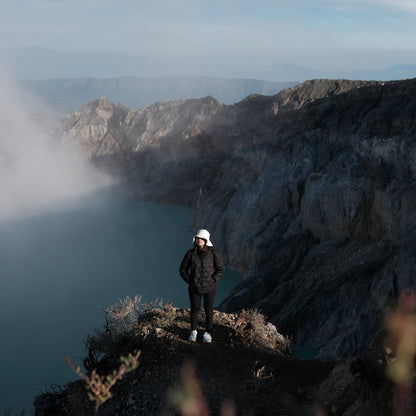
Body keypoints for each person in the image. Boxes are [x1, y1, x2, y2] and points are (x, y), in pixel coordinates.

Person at [179, 229, 225, 343]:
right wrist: (190, 281)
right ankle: (193, 331)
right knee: (194, 309)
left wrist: (213, 279)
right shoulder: (190, 254)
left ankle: (208, 333)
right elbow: (182, 269)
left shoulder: (213, 253)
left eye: (201, 238)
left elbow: (220, 269)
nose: (199, 240)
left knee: (209, 310)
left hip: (210, 287)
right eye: (197, 238)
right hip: (194, 287)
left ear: (206, 240)